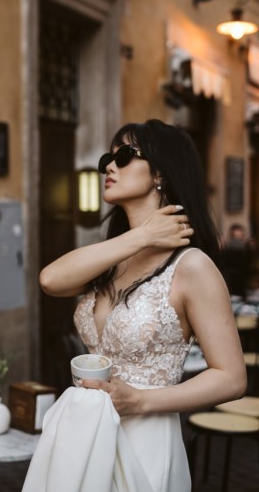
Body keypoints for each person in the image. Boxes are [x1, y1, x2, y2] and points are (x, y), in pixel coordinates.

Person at [38, 119, 246, 492]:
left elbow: (232, 378)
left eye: (123, 155)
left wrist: (139, 401)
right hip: (84, 434)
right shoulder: (113, 258)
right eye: (107, 158)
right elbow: (51, 281)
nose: (109, 167)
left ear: (160, 173)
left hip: (146, 438)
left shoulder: (192, 266)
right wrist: (142, 236)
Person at [220, 223, 254, 299]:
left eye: (240, 237)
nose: (237, 240)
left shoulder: (247, 250)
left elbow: (250, 269)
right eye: (234, 237)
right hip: (229, 287)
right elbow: (221, 265)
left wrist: (250, 249)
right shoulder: (225, 250)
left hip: (243, 287)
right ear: (230, 237)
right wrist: (221, 249)